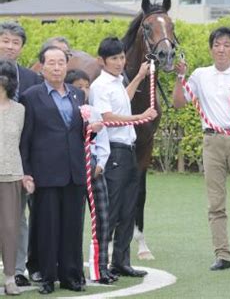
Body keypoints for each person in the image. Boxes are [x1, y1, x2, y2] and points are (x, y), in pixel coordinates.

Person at [173, 26, 230, 271]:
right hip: (212, 142)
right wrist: (179, 77)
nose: (221, 49)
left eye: (226, 45)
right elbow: (179, 104)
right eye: (217, 44)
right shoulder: (200, 74)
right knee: (216, 203)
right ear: (211, 48)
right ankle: (222, 255)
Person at [20, 46, 100, 295]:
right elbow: (25, 139)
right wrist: (27, 172)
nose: (57, 68)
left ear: (67, 66)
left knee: (72, 226)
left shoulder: (78, 94)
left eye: (61, 63)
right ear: (41, 67)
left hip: (75, 171)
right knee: (46, 226)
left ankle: (72, 276)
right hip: (45, 173)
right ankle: (46, 276)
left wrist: (92, 128)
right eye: (51, 63)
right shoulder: (31, 96)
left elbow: (80, 133)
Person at [89, 37, 157, 278]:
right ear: (102, 61)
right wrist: (142, 116)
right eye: (114, 59)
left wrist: (138, 77)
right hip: (114, 150)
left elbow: (122, 103)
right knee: (113, 210)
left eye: (121, 58)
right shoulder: (100, 86)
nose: (119, 63)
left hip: (127, 150)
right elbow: (107, 118)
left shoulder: (118, 82)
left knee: (128, 209)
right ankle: (101, 265)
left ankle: (121, 262)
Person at [0, 21, 42, 287]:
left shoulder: (31, 79)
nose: (9, 46)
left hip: (20, 162)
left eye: (15, 42)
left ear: (22, 47)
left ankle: (17, 270)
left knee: (18, 219)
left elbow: (33, 129)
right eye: (5, 40)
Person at [65, 69, 115, 285]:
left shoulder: (93, 111)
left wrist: (101, 164)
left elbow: (103, 141)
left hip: (93, 167)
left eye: (86, 86)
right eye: (78, 86)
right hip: (74, 168)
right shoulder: (66, 110)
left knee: (103, 218)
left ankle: (100, 267)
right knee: (73, 220)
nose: (83, 90)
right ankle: (68, 267)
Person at [0, 58, 30, 296]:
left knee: (10, 228)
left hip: (11, 175)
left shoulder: (20, 110)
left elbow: (25, 145)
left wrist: (26, 175)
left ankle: (10, 277)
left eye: (5, 76)